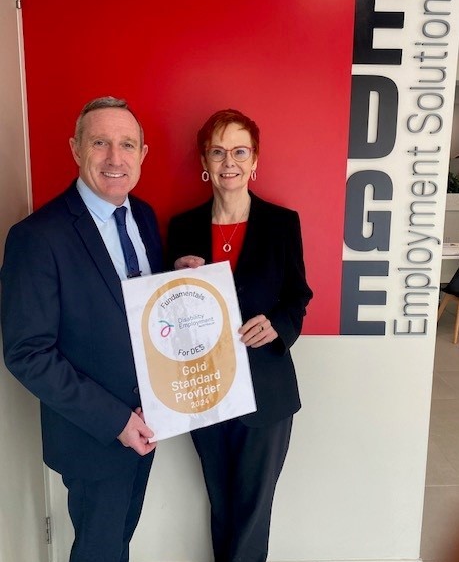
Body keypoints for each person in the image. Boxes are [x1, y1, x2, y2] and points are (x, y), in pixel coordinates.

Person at [1, 96, 162, 562]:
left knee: (118, 542)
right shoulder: (37, 237)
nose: (115, 158)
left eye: (127, 144)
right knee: (98, 552)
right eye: (100, 143)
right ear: (76, 149)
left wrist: (179, 274)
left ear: (142, 154)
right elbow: (27, 353)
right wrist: (116, 422)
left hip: (150, 424)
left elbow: (132, 309)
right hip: (95, 437)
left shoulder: (145, 218)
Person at [167, 108, 313, 562]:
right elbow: (164, 313)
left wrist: (277, 326)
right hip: (204, 390)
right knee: (223, 503)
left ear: (255, 162)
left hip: (265, 390)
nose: (228, 161)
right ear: (204, 163)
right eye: (217, 151)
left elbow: (298, 297)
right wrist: (173, 277)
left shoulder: (282, 224)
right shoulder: (182, 228)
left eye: (239, 151)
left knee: (253, 510)